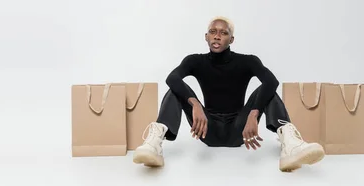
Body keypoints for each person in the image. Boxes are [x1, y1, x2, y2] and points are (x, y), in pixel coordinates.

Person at [132, 16, 325, 172]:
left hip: (240, 130)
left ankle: (291, 146)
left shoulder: (247, 61)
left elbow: (271, 81)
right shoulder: (194, 61)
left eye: (223, 33)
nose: (217, 36)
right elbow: (172, 78)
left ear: (231, 39)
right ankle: (154, 145)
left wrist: (253, 113)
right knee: (175, 89)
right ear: (206, 37)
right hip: (207, 129)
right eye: (213, 32)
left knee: (266, 90)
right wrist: (195, 105)